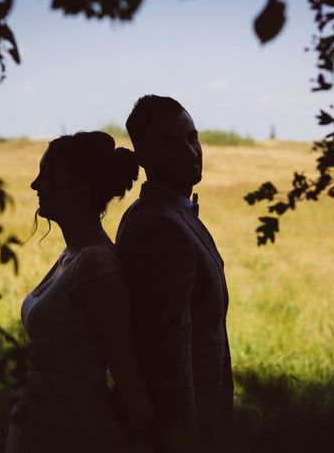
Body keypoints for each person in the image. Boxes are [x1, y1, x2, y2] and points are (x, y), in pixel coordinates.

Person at [5, 131, 151, 453]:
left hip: (73, 430)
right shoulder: (73, 255)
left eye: (48, 177)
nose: (35, 185)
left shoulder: (96, 267)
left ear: (82, 192)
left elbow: (126, 372)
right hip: (41, 424)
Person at [116, 95, 233, 452]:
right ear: (144, 157)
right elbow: (169, 348)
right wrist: (185, 436)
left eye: (192, 137)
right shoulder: (160, 226)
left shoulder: (166, 213)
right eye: (173, 143)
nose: (190, 150)